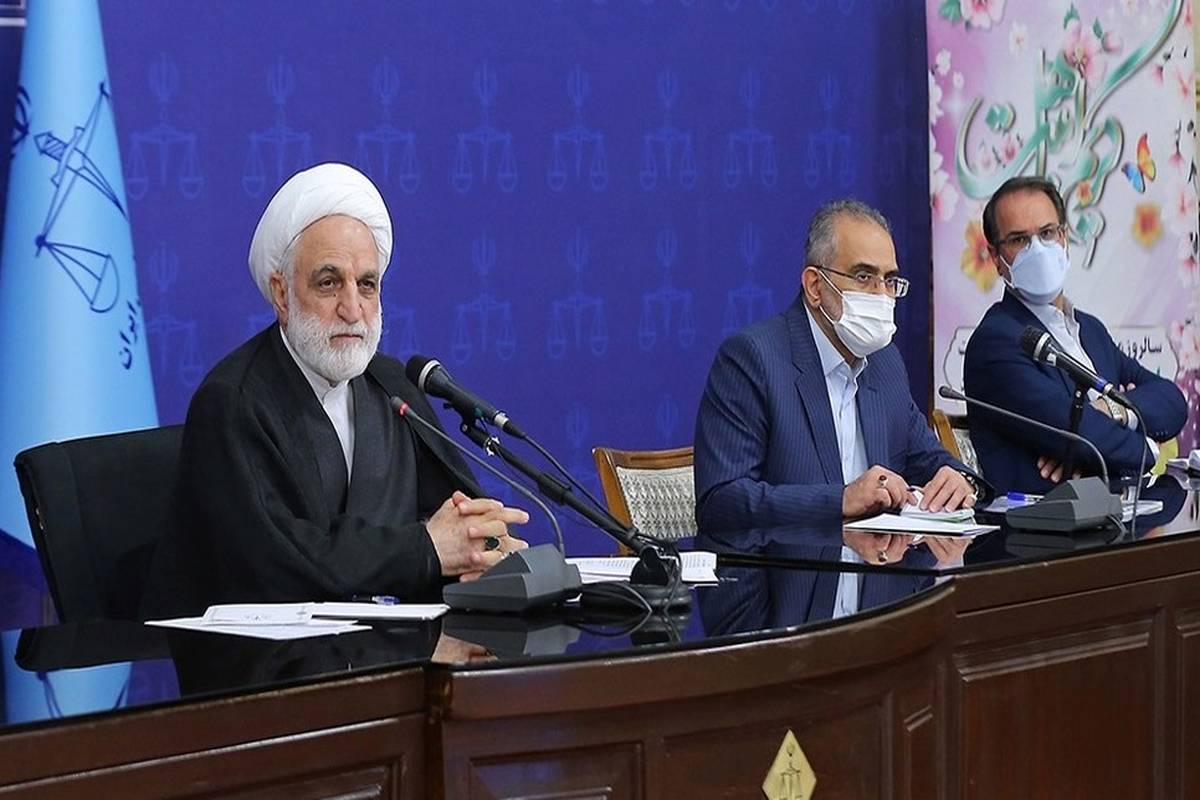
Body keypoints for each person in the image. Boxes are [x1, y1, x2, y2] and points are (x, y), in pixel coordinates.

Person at [142, 163, 528, 618]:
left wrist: (480, 549)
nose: (352, 309)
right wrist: (423, 550)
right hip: (264, 658)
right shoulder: (233, 401)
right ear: (282, 295)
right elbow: (277, 565)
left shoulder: (390, 384)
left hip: (392, 648)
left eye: (367, 285)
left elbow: (454, 520)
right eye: (329, 283)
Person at [694, 199, 978, 631]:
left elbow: (927, 456)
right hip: (779, 624)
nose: (882, 296)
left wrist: (956, 479)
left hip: (879, 616)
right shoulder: (753, 359)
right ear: (815, 285)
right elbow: (723, 503)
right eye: (864, 277)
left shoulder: (885, 363)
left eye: (890, 281)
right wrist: (841, 500)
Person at [963, 176, 1187, 494]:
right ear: (996, 258)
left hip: (1114, 508)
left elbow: (1172, 401)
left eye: (1047, 233)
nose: (1038, 250)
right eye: (1019, 240)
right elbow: (1082, 438)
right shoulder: (996, 342)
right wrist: (1148, 446)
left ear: (1064, 237)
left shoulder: (1090, 331)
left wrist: (1111, 410)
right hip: (1041, 520)